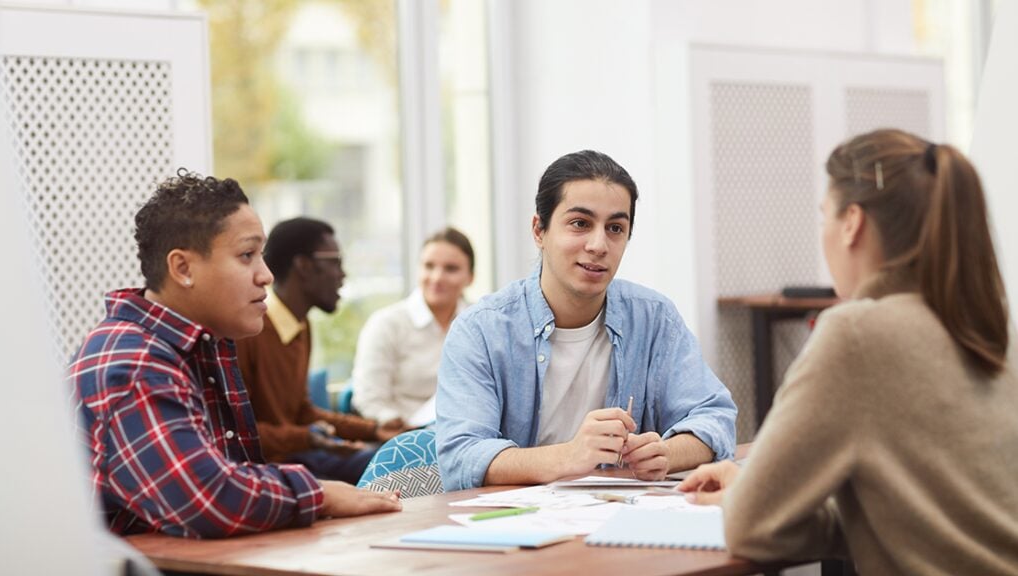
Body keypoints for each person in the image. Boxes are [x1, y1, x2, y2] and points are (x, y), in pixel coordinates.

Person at [679, 129, 1018, 575]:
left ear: (852, 222)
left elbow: (749, 527)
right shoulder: (986, 329)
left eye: (825, 216)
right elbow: (941, 514)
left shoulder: (858, 333)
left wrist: (746, 499)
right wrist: (750, 493)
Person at [69, 172, 400, 539]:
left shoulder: (203, 345)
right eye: (246, 256)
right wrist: (320, 493)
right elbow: (206, 497)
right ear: (183, 268)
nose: (266, 276)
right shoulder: (133, 363)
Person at [436, 150, 737, 491]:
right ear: (539, 230)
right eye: (580, 224)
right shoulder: (480, 330)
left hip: (623, 519)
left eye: (615, 229)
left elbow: (715, 418)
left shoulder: (653, 318)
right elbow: (462, 457)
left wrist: (667, 453)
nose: (598, 245)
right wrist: (569, 457)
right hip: (517, 527)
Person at [236, 217, 407, 485]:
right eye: (335, 262)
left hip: (302, 455)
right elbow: (238, 433)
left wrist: (374, 429)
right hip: (269, 468)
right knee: (383, 476)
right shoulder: (248, 332)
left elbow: (302, 411)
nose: (343, 275)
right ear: (304, 266)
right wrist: (307, 437)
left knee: (401, 460)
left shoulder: (300, 325)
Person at [351, 227, 475, 425]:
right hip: (403, 437)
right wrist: (394, 423)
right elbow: (369, 398)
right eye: (428, 266)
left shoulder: (481, 323)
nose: (437, 278)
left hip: (467, 436)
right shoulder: (386, 324)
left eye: (451, 269)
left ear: (470, 277)